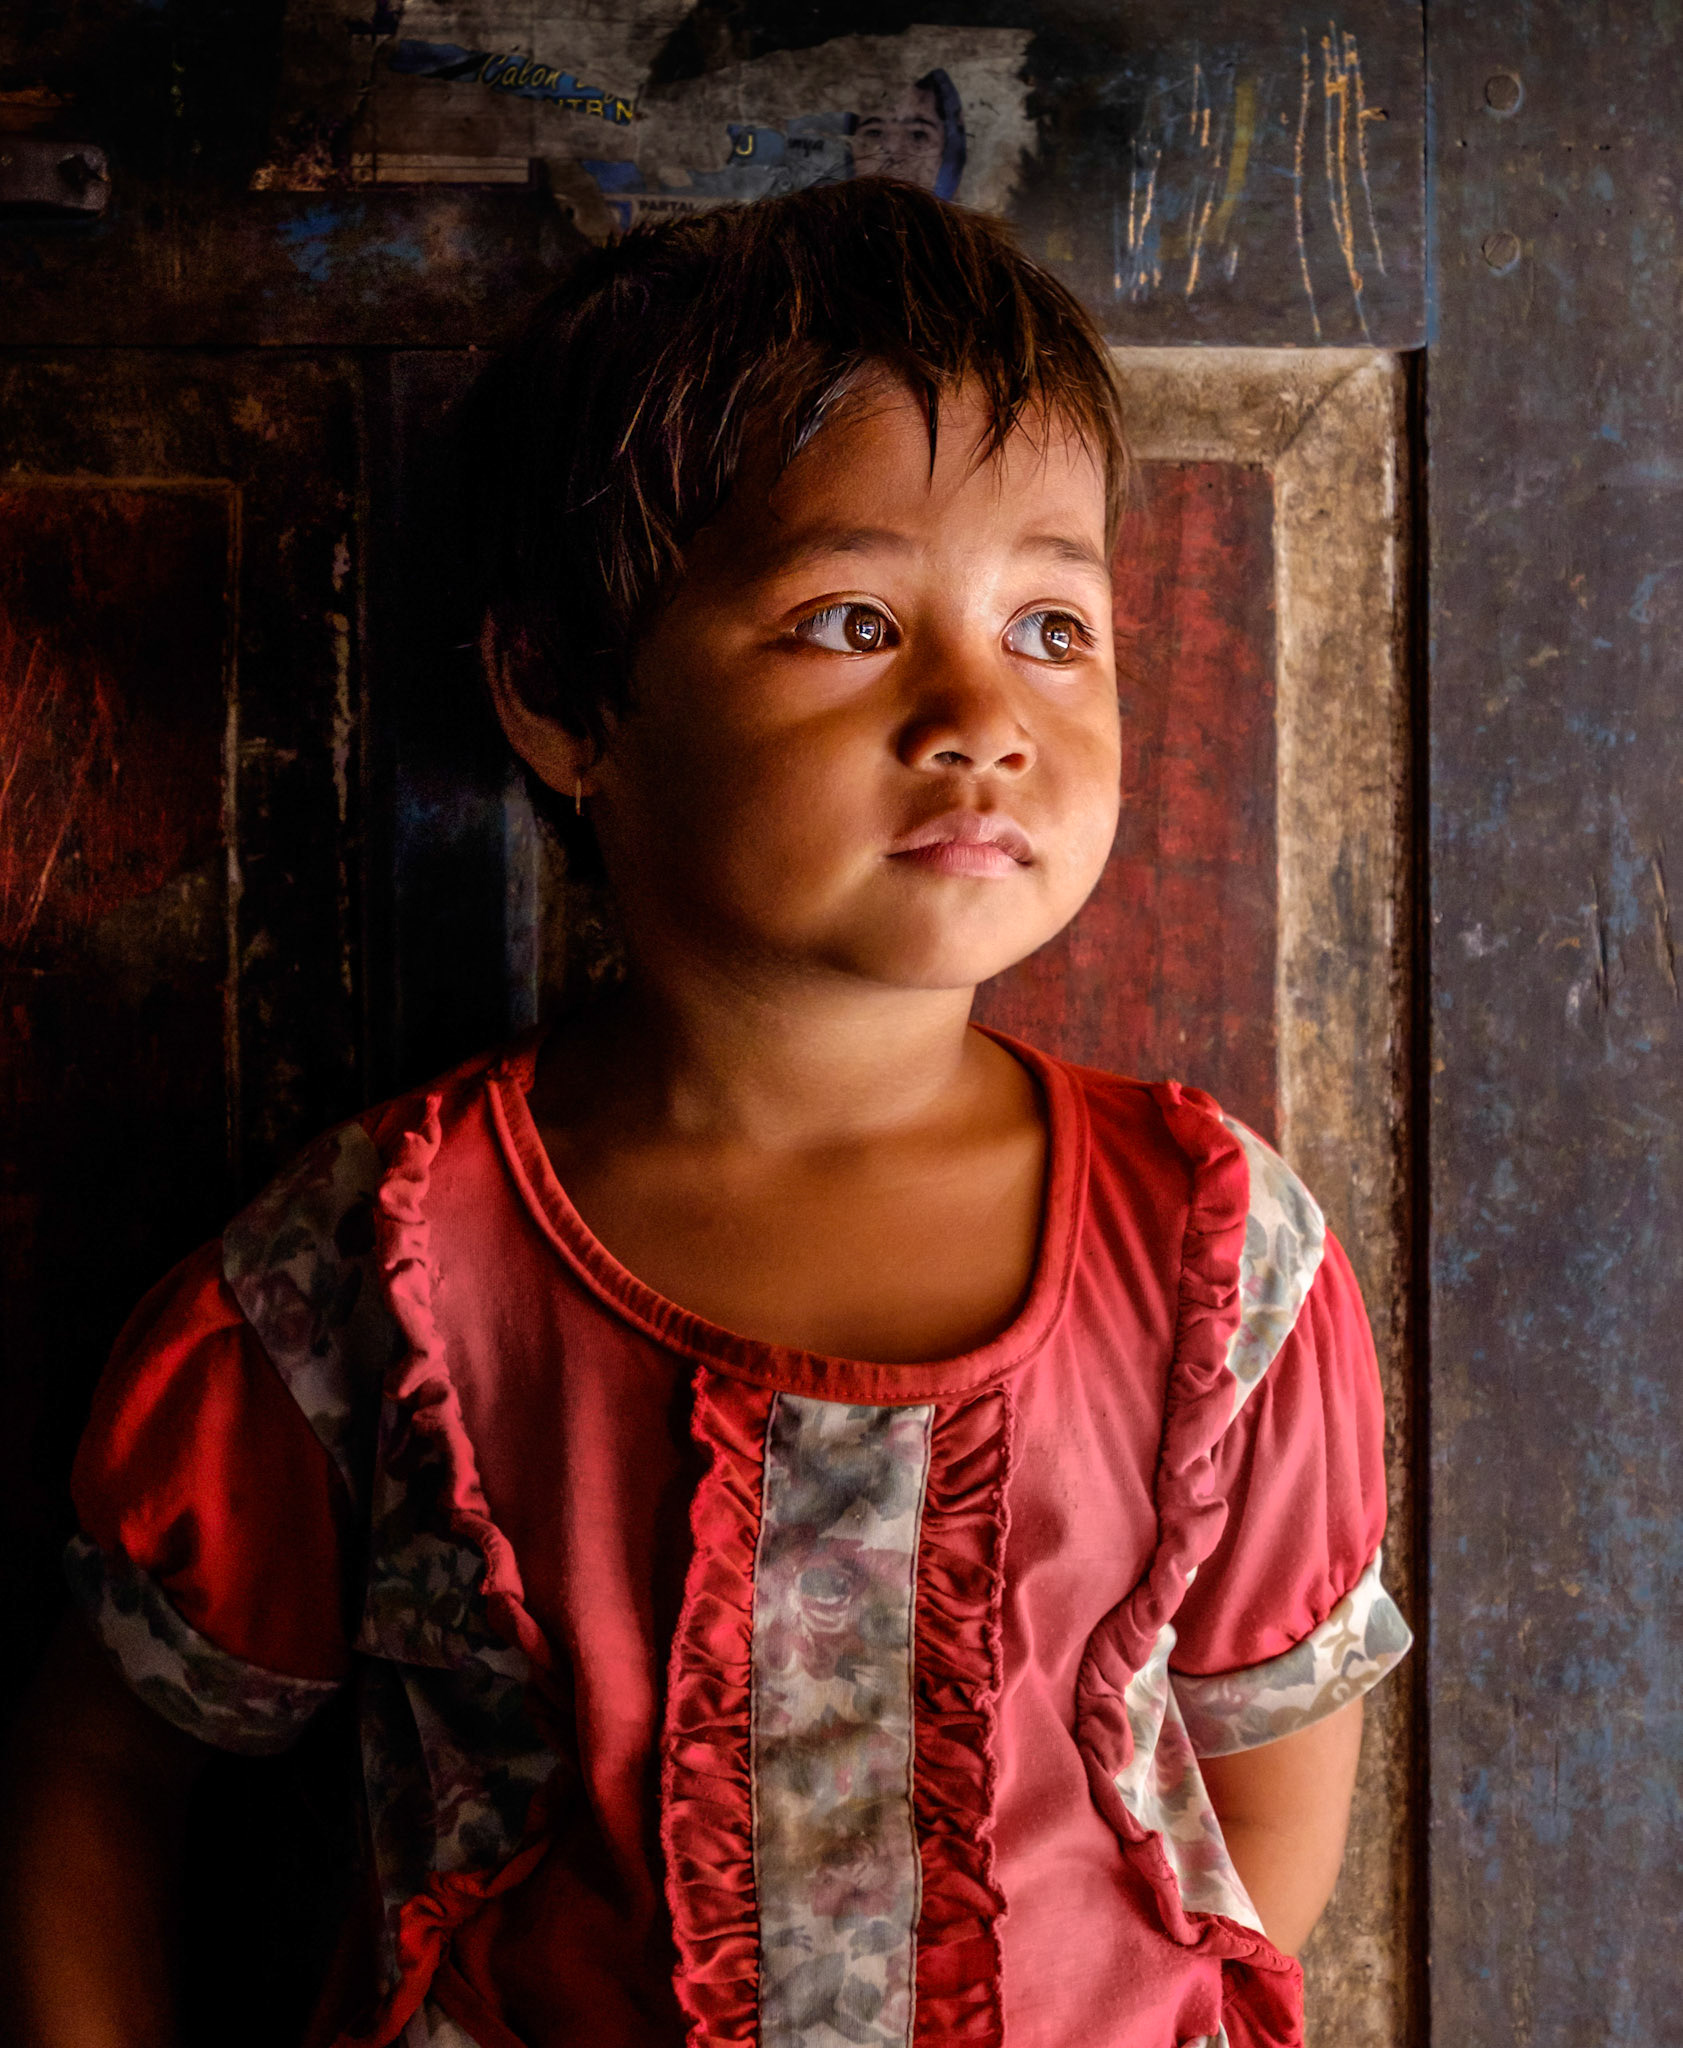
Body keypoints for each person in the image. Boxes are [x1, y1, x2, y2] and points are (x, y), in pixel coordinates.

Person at [0, 178, 1410, 2048]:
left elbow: (1256, 1841)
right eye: (851, 618)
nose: (983, 715)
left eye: (1055, 626)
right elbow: (101, 1774)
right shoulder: (378, 1276)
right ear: (561, 697)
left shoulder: (1222, 1259)